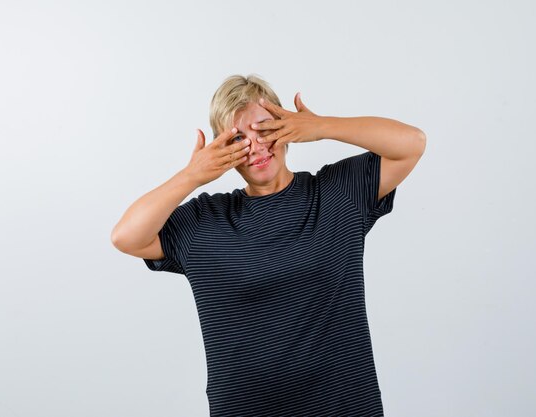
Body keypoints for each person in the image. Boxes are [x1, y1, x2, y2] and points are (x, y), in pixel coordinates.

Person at [111, 74, 426, 416]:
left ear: (286, 127)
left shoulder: (339, 194)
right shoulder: (204, 222)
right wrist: (192, 175)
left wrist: (321, 126)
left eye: (265, 130)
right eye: (238, 139)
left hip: (344, 406)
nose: (256, 147)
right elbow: (126, 236)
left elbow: (412, 143)